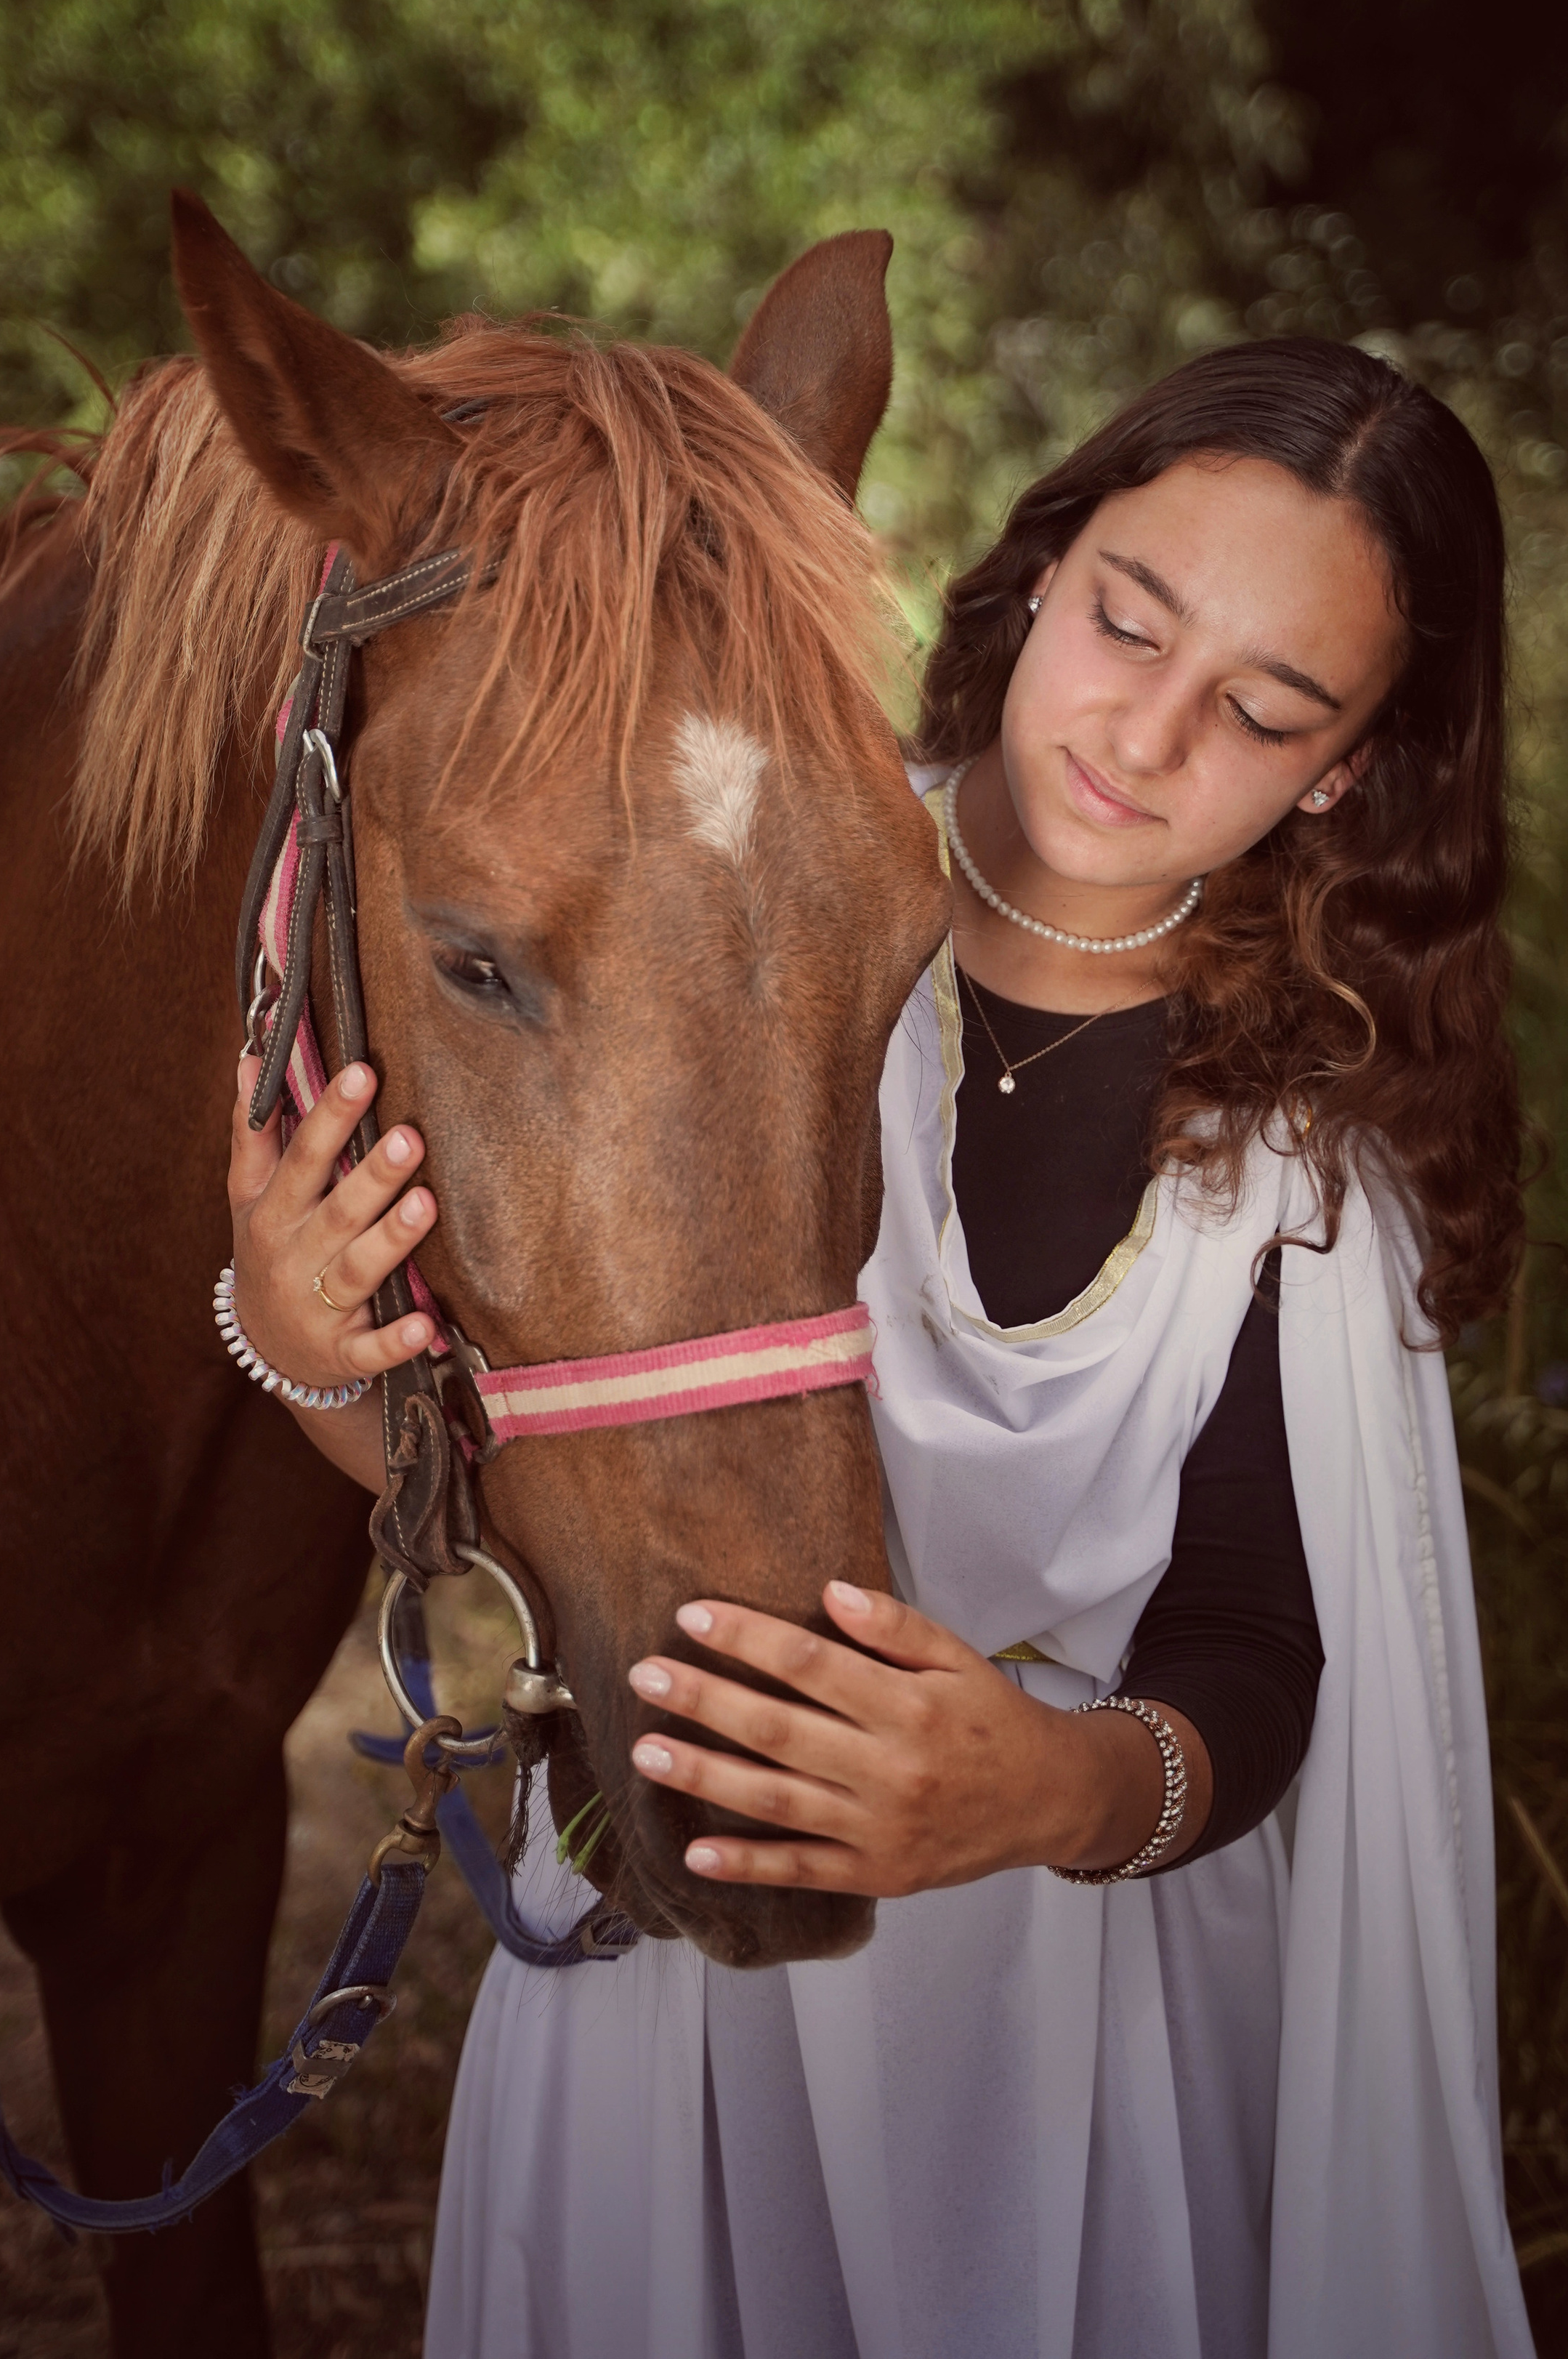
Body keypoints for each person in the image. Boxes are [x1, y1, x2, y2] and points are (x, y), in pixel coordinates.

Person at [227, 337, 1535, 2358]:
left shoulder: (1297, 1154)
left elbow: (1262, 1649)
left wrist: (1050, 1794)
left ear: (1342, 768)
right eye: (1130, 618)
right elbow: (502, 1465)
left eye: (1266, 711)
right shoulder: (727, 898)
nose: (1152, 730)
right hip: (677, 1985)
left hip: (1074, 2044)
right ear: (1040, 568)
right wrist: (309, 1341)